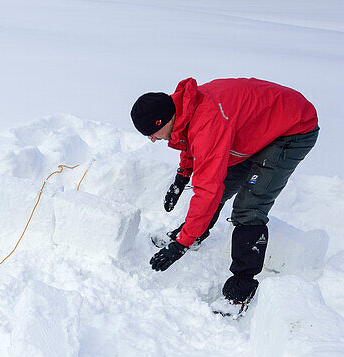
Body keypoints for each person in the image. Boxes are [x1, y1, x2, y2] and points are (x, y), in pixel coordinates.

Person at [131, 78, 319, 307]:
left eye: (152, 132)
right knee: (221, 183)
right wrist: (183, 174)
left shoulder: (208, 123)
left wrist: (181, 244)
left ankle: (242, 287)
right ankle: (196, 233)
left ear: (162, 120)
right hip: (255, 127)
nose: (152, 139)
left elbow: (207, 188)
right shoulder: (183, 107)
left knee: (249, 206)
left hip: (294, 129)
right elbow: (190, 139)